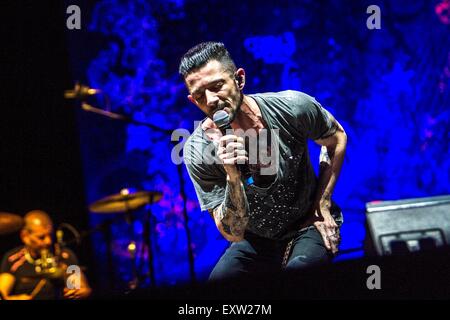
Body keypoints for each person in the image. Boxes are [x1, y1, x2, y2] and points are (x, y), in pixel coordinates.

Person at [180, 42, 347, 281]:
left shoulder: (292, 107)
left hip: (306, 222)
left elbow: (336, 138)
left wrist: (322, 203)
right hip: (255, 240)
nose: (211, 100)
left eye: (217, 86)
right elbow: (234, 233)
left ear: (239, 79)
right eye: (199, 95)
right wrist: (233, 177)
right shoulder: (198, 150)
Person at [0, 210, 91, 300]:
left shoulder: (64, 255)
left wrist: (79, 291)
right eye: (41, 237)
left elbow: (79, 286)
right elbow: (2, 293)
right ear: (25, 236)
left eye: (50, 235)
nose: (48, 241)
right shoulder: (13, 259)